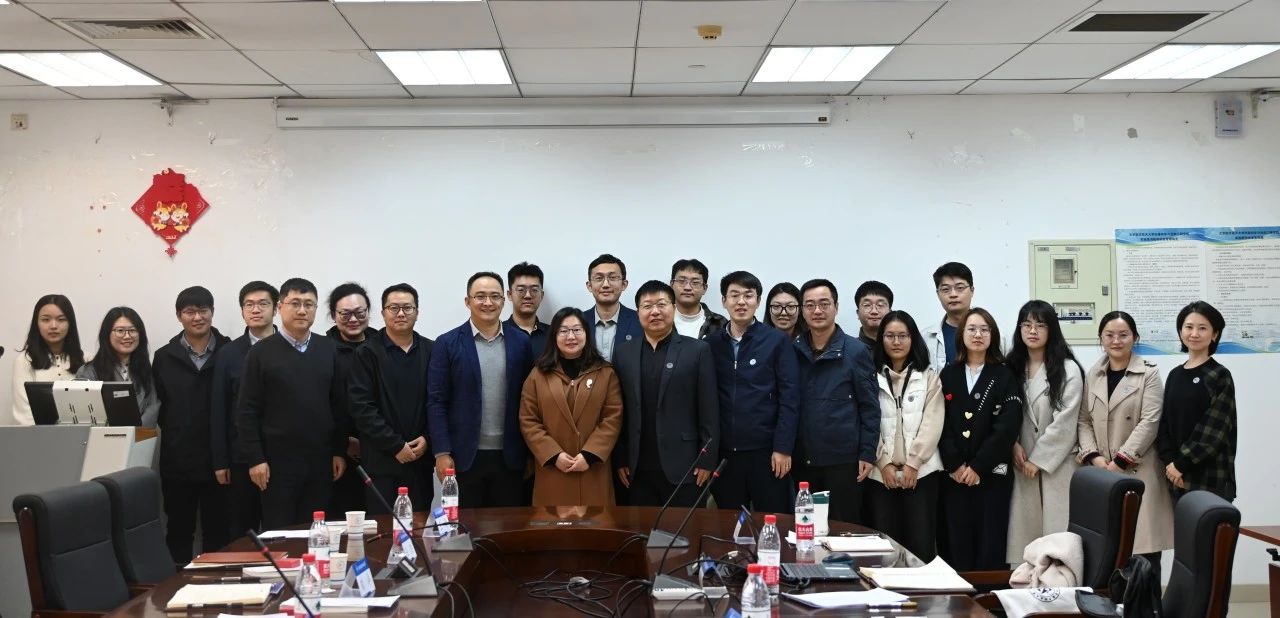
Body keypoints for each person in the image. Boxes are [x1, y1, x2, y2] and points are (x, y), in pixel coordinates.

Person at [237, 278, 349, 528]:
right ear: (280, 307)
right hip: (276, 465)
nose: (302, 310)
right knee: (281, 534)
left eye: (309, 304)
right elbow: (247, 410)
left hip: (320, 461)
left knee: (317, 532)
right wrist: (255, 458)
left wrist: (338, 451)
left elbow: (338, 405)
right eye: (295, 303)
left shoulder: (328, 349)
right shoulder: (260, 353)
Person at [428, 272, 535, 507]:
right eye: (480, 296)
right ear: (468, 301)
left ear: (503, 301)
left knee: (509, 525)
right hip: (463, 457)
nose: (488, 302)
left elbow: (530, 400)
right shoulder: (447, 343)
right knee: (465, 525)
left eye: (495, 296)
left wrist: (531, 453)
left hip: (511, 456)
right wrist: (442, 452)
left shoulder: (521, 342)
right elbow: (436, 401)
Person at [1079, 311, 1173, 575]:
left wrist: (1120, 461)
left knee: (1144, 556)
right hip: (1102, 473)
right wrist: (1094, 457)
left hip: (1137, 471)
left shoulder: (1149, 374)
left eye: (1123, 335)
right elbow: (1083, 420)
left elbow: (1150, 421)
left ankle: (1147, 601)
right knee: (1108, 554)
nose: (1116, 340)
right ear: (1101, 338)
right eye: (1109, 335)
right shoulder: (1093, 374)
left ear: (1135, 338)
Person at [613, 281, 719, 507]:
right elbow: (619, 411)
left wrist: (707, 458)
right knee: (641, 527)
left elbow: (709, 408)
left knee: (683, 527)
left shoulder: (697, 350)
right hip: (637, 466)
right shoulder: (623, 353)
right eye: (647, 306)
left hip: (686, 465)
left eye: (661, 304)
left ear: (674, 307)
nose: (655, 311)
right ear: (638, 312)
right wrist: (620, 457)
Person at [937, 308, 1022, 571]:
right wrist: (955, 464)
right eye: (972, 329)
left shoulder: (1005, 375)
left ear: (993, 335)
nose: (978, 335)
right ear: (961, 335)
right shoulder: (948, 374)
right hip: (954, 476)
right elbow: (940, 423)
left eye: (985, 329)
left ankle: (989, 595)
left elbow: (1007, 427)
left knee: (991, 541)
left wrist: (977, 466)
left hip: (992, 474)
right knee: (955, 540)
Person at [706, 271, 799, 513]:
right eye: (734, 295)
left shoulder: (776, 341)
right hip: (725, 453)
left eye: (748, 295)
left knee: (773, 520)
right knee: (730, 523)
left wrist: (783, 448)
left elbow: (790, 398)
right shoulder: (711, 344)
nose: (741, 302)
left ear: (758, 301)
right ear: (724, 301)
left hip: (767, 453)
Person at [153, 286, 231, 563]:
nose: (197, 317)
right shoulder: (164, 357)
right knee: (178, 529)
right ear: (179, 316)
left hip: (221, 460)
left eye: (203, 310)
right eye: (189, 312)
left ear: (212, 312)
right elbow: (160, 406)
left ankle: (217, 583)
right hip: (178, 459)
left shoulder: (230, 351)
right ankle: (177, 584)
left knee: (219, 530)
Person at [792, 279, 880, 524]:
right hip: (802, 459)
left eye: (824, 304)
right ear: (802, 310)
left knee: (844, 528)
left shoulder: (856, 351)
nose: (817, 311)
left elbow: (870, 407)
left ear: (836, 307)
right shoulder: (793, 350)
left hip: (844, 461)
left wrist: (867, 452)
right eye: (810, 305)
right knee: (806, 529)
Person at [1005, 300, 1084, 564]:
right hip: (1020, 462)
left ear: (1052, 329)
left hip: (1056, 465)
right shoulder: (1011, 367)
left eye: (1040, 325)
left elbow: (1066, 421)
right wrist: (1013, 444)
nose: (1032, 331)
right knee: (1024, 541)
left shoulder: (1068, 369)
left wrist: (1038, 460)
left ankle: (1058, 587)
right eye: (1026, 324)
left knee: (1057, 540)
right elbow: (1004, 413)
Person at [519, 307, 623, 506]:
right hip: (553, 471)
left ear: (587, 333)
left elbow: (613, 417)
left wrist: (590, 454)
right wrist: (553, 455)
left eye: (577, 330)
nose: (571, 336)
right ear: (554, 336)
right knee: (552, 524)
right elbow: (528, 420)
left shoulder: (605, 373)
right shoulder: (538, 375)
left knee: (595, 523)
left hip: (593, 470)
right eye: (563, 331)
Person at [864, 310, 944, 562]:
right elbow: (867, 421)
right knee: (884, 546)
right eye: (890, 336)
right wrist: (883, 463)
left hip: (922, 473)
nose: (896, 342)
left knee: (921, 543)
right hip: (881, 475)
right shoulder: (869, 376)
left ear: (913, 339)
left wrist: (913, 463)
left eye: (903, 335)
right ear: (881, 340)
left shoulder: (929, 376)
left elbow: (933, 422)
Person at [348, 283, 435, 513]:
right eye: (394, 308)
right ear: (383, 313)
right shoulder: (366, 353)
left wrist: (427, 439)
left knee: (419, 525)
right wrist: (396, 445)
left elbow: (438, 402)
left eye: (408, 308)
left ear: (417, 311)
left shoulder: (432, 350)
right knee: (385, 528)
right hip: (382, 462)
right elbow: (362, 408)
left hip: (420, 460)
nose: (401, 313)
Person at [210, 280, 278, 537]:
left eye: (263, 304)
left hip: (281, 455)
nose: (255, 310)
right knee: (242, 530)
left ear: (276, 308)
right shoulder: (228, 353)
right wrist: (220, 460)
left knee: (280, 529)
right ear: (242, 310)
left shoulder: (289, 347)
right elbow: (219, 409)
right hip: (241, 458)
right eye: (249, 305)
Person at [1157, 301, 1236, 502]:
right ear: (1180, 331)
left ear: (1215, 334)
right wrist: (1170, 463)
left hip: (1209, 478)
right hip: (1174, 476)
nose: (1194, 334)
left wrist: (1181, 464)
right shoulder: (1175, 374)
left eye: (1202, 328)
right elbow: (1164, 422)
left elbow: (1214, 430)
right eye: (1189, 327)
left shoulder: (1219, 375)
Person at [324, 282, 374, 517]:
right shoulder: (323, 350)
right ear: (334, 315)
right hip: (337, 454)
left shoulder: (381, 345)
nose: (353, 319)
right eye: (345, 314)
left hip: (381, 449)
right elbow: (322, 403)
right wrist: (344, 442)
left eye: (359, 313)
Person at [76, 307, 159, 428]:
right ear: (106, 334)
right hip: (102, 437)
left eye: (132, 330)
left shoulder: (145, 369)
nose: (127, 336)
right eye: (120, 330)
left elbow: (153, 406)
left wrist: (135, 432)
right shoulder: (87, 372)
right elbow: (84, 414)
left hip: (141, 437)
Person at [11, 295, 84, 425]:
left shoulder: (86, 359)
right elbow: (24, 415)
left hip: (81, 434)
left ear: (70, 323)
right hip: (38, 435)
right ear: (36, 323)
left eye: (61, 319)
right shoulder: (24, 361)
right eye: (46, 320)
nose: (53, 326)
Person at [583, 253, 642, 362]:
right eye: (599, 278)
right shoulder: (579, 321)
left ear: (624, 284)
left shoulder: (640, 320)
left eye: (613, 278)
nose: (606, 284)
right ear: (589, 286)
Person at [923, 262, 975, 370]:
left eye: (960, 288)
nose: (953, 294)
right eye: (946, 289)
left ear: (972, 291)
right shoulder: (925, 338)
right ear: (938, 294)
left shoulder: (994, 333)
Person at [670, 258, 728, 340]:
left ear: (704, 288)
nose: (687, 287)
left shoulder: (720, 323)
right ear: (672, 284)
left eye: (695, 282)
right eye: (682, 281)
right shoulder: (659, 318)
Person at [505, 262, 551, 356]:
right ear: (510, 295)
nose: (528, 295)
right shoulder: (499, 333)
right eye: (521, 290)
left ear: (542, 295)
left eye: (534, 290)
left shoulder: (553, 334)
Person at [854, 280, 893, 352]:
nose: (874, 311)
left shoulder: (902, 348)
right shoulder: (848, 349)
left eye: (880, 305)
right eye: (867, 305)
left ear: (890, 313)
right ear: (858, 313)